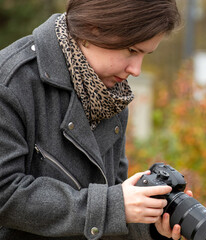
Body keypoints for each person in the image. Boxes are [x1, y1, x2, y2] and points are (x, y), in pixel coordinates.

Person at [0, 0, 191, 239]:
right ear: (93, 28)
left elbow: (113, 196)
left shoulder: (111, 95)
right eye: (132, 51)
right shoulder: (10, 83)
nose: (136, 70)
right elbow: (5, 194)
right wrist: (114, 206)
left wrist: (150, 223)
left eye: (145, 54)